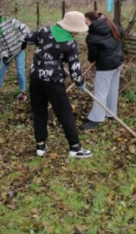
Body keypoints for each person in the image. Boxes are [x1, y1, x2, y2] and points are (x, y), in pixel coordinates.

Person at [25, 9, 92, 159]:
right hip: (53, 82)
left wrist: (25, 43)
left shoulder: (44, 30)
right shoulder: (70, 44)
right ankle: (75, 148)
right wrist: (80, 83)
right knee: (65, 113)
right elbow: (75, 68)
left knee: (39, 112)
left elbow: (29, 38)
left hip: (35, 78)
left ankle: (40, 146)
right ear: (73, 29)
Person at [81, 10, 124, 131]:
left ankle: (95, 119)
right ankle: (111, 114)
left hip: (106, 66)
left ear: (93, 21)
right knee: (112, 90)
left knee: (100, 92)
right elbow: (121, 33)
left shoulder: (92, 36)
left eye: (87, 22)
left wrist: (92, 60)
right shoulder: (109, 23)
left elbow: (92, 53)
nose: (85, 25)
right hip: (118, 62)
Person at [0, 6, 29, 101]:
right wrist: (4, 55)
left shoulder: (10, 21)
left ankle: (23, 93)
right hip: (8, 53)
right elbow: (0, 45)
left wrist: (24, 40)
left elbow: (25, 28)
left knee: (20, 70)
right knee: (0, 70)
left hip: (19, 49)